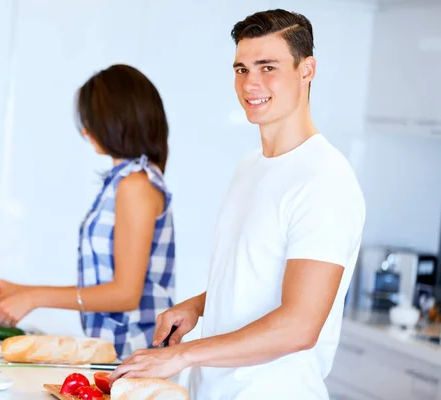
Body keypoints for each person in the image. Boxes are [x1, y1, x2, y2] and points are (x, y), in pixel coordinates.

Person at [110, 9, 366, 399]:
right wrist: (198, 307)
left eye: (268, 67)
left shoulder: (325, 180)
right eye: (242, 69)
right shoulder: (250, 167)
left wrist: (181, 356)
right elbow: (258, 278)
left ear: (306, 70)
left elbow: (299, 325)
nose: (251, 83)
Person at [0, 64, 176, 359]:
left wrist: (35, 298)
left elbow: (125, 294)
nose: (85, 131)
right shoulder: (125, 180)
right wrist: (22, 291)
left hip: (135, 357)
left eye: (92, 121)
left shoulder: (136, 184)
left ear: (118, 121)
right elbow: (108, 285)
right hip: (119, 353)